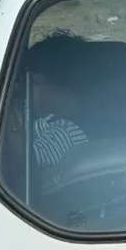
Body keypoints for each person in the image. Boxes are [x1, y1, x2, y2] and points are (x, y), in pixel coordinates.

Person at [27, 33, 89, 178]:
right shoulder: (51, 120)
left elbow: (22, 161)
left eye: (35, 83)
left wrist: (12, 121)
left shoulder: (65, 131)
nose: (26, 90)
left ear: (62, 88)